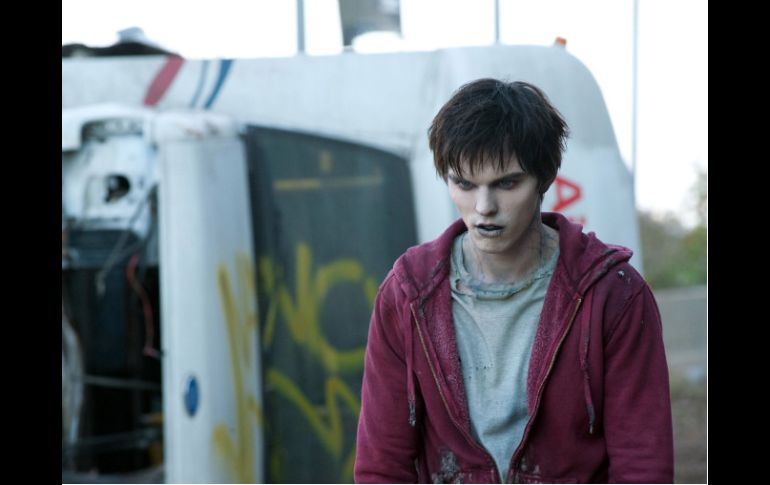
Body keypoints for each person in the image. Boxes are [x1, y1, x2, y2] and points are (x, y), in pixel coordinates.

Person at [354, 79, 673, 483]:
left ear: (544, 178)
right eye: (464, 184)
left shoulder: (613, 293)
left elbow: (643, 467)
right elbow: (382, 466)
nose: (484, 207)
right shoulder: (408, 294)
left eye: (507, 183)